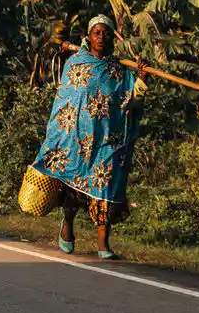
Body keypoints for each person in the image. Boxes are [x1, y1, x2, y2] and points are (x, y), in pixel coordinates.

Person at [31, 15, 144, 260]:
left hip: (107, 142)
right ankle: (67, 225)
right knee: (73, 191)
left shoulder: (119, 71)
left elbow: (131, 104)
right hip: (76, 139)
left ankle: (103, 245)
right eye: (97, 33)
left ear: (112, 38)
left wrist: (142, 80)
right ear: (89, 37)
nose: (102, 37)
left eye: (106, 33)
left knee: (104, 189)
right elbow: (65, 102)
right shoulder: (76, 63)